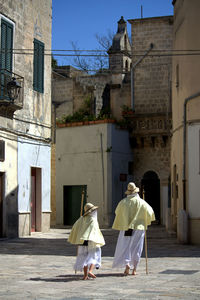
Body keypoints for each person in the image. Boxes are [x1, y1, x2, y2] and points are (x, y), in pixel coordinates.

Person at [112, 182, 155, 276]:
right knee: (136, 247)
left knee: (124, 246)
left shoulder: (123, 202)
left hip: (125, 227)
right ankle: (134, 269)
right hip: (138, 227)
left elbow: (117, 212)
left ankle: (127, 264)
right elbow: (150, 212)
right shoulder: (142, 202)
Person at [68, 203, 105, 280]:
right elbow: (94, 230)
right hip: (91, 240)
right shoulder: (93, 220)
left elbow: (75, 227)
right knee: (94, 255)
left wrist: (79, 237)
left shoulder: (81, 219)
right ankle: (90, 271)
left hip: (82, 241)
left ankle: (85, 275)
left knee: (84, 257)